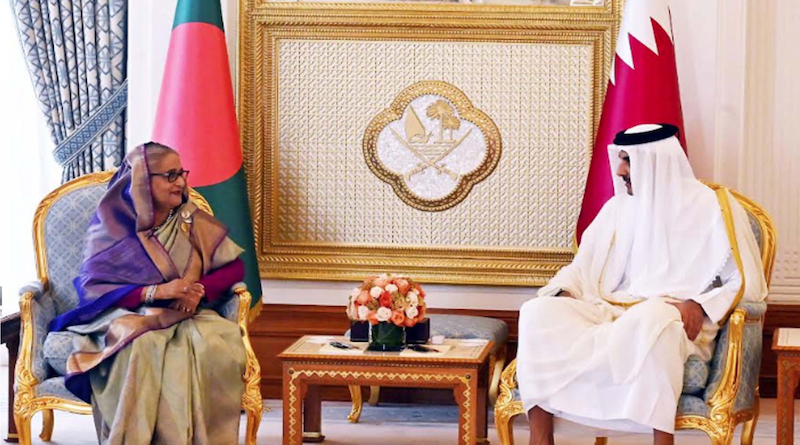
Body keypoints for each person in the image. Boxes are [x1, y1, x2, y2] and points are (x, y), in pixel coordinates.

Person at [517, 124, 768, 445]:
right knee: (538, 312)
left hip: (672, 315)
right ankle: (541, 439)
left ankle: (661, 441)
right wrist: (566, 292)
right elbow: (581, 268)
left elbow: (735, 275)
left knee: (654, 320)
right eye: (620, 159)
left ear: (656, 161)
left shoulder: (712, 208)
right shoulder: (616, 209)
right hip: (606, 309)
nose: (620, 170)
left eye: (628, 160)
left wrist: (699, 304)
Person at [48, 142, 248, 444]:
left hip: (187, 315)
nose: (181, 182)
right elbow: (93, 289)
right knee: (141, 344)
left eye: (182, 173)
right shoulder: (110, 227)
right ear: (142, 179)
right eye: (170, 175)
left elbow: (234, 268)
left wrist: (199, 292)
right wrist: (156, 292)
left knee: (207, 346)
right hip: (120, 315)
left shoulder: (189, 218)